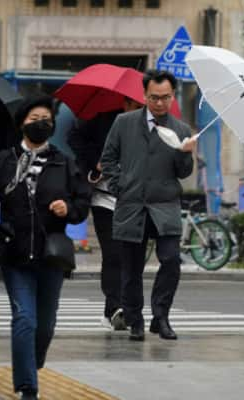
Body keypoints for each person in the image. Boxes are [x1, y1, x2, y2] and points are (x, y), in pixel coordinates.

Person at [0, 95, 90, 400]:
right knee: (24, 318)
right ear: (22, 123)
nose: (41, 123)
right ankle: (28, 387)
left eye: (46, 119)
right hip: (15, 254)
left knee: (46, 325)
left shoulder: (64, 162)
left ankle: (33, 361)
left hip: (52, 256)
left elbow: (82, 201)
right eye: (35, 118)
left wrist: (69, 208)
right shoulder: (4, 161)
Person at [101, 70, 197, 341]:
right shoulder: (124, 123)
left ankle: (161, 316)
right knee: (131, 267)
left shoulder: (180, 129)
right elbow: (108, 159)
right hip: (132, 205)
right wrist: (119, 186)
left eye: (165, 97)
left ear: (172, 96)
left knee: (171, 261)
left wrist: (185, 154)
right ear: (144, 95)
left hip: (165, 205)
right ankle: (135, 320)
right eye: (154, 97)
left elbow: (183, 172)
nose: (159, 103)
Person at [67, 97, 142, 331]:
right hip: (104, 196)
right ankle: (114, 308)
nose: (137, 110)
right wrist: (94, 162)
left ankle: (127, 307)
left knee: (130, 256)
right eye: (134, 104)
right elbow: (74, 138)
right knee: (112, 253)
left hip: (135, 199)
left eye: (142, 105)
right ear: (125, 103)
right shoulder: (102, 119)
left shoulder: (153, 128)